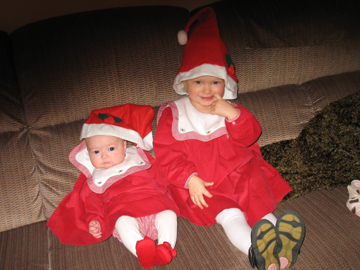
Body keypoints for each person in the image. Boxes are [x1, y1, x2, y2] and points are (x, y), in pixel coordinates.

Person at [153, 7, 305, 270]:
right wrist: (189, 179)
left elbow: (250, 136)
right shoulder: (173, 113)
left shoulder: (230, 108)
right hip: (204, 182)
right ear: (185, 83)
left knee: (259, 208)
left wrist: (233, 115)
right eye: (199, 82)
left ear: (225, 84)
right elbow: (167, 154)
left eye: (215, 82)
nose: (207, 90)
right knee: (230, 215)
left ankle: (281, 250)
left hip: (241, 172)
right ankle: (259, 254)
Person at [47, 104, 179, 269]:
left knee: (168, 214)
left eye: (111, 148)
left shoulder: (139, 158)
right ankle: (141, 249)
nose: (104, 156)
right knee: (122, 222)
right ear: (88, 153)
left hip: (154, 205)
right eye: (96, 152)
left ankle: (165, 247)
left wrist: (174, 191)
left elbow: (161, 176)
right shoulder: (96, 178)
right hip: (123, 212)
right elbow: (91, 204)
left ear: (124, 146)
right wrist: (94, 221)